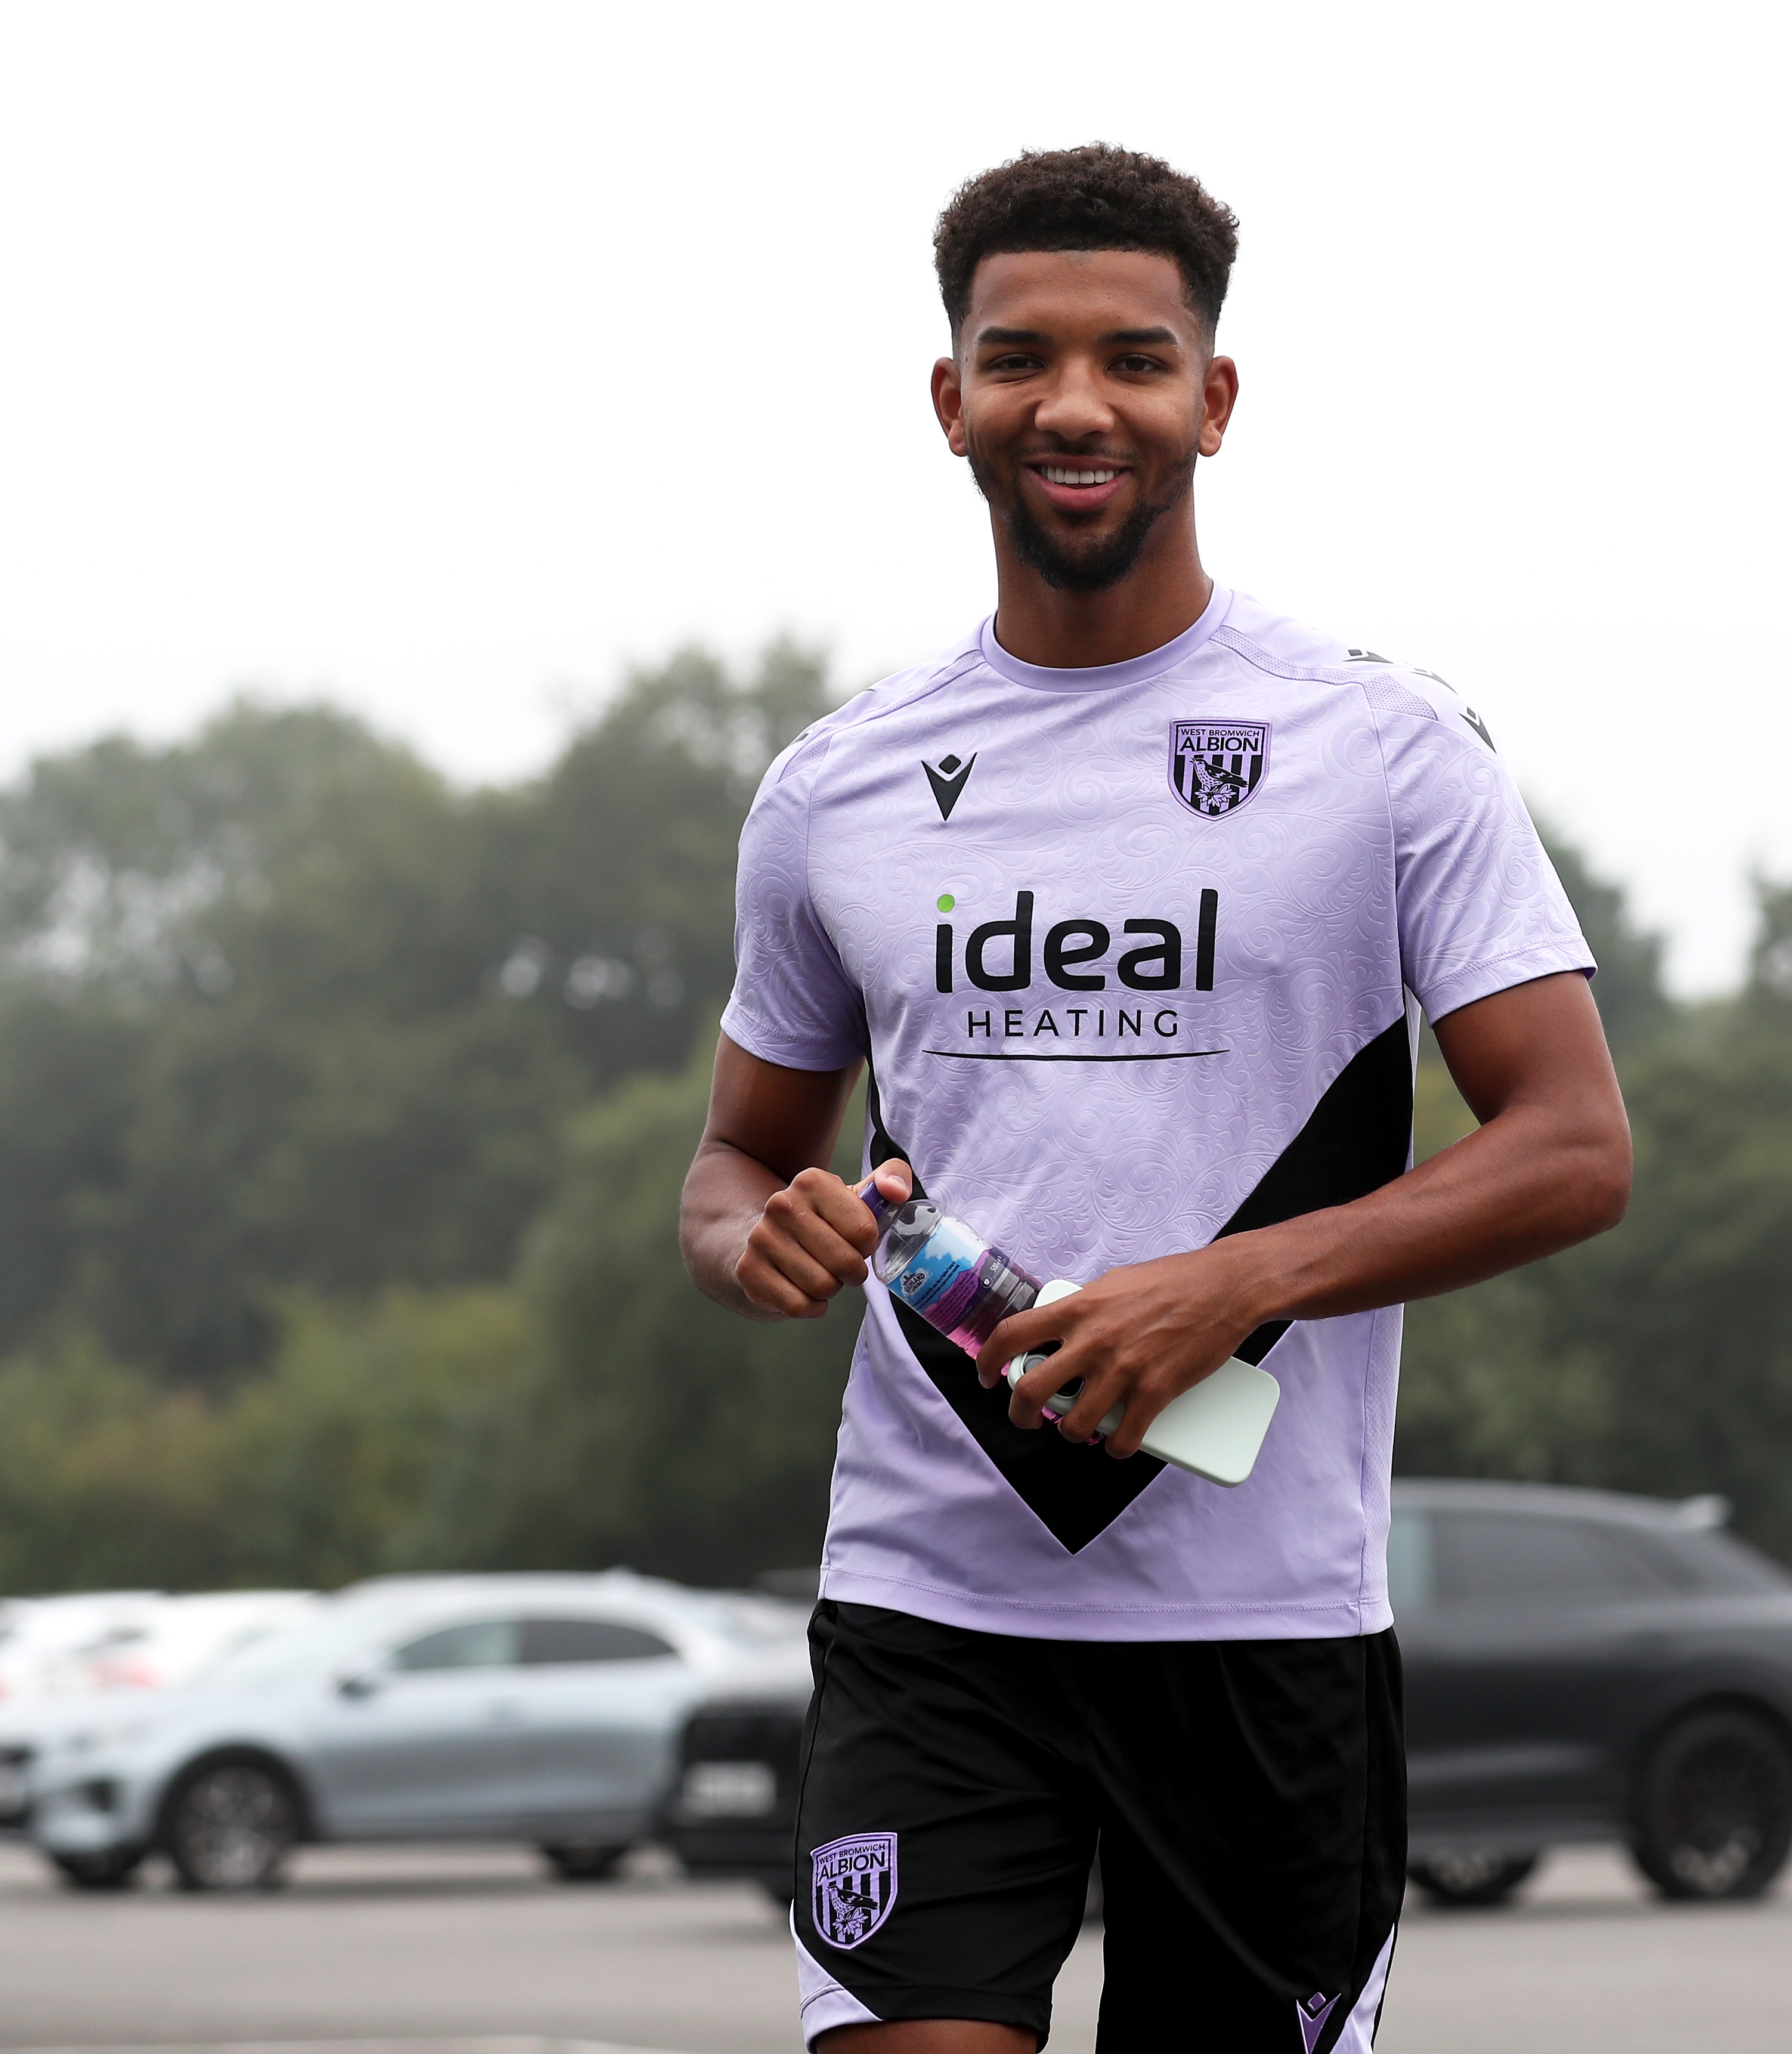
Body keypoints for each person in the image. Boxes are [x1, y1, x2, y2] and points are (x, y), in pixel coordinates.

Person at [680, 144, 1631, 2054]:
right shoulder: (836, 791)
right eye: (1020, 358)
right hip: (933, 1602)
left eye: (1134, 356)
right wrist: (749, 1235)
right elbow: (733, 1160)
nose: (1077, 404)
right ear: (953, 402)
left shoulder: (1385, 753)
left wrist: (1235, 1282)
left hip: (1262, 1624)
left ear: (1213, 396)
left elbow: (1575, 1148)